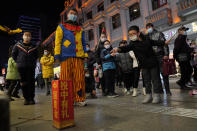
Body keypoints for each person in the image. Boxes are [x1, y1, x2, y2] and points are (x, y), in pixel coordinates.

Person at [111, 25, 164, 104]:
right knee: (146, 81)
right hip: (143, 64)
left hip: (153, 63)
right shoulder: (132, 43)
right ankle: (148, 95)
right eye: (130, 34)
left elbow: (156, 42)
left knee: (155, 80)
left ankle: (157, 95)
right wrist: (118, 49)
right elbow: (126, 48)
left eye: (133, 33)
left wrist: (164, 42)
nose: (131, 36)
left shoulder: (147, 39)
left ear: (138, 33)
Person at [54, 8, 88, 106]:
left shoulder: (80, 29)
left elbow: (83, 43)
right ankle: (68, 99)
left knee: (79, 78)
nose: (73, 15)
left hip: (78, 56)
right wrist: (57, 55)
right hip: (65, 56)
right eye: (71, 13)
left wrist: (85, 54)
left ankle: (79, 98)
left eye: (75, 14)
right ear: (68, 15)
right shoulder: (61, 27)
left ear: (77, 16)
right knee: (65, 78)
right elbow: (58, 41)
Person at [12, 31, 38, 105]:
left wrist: (33, 62)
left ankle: (31, 98)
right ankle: (26, 99)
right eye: (25, 35)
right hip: (21, 67)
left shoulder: (34, 46)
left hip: (31, 67)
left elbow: (36, 55)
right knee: (24, 83)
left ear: (31, 37)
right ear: (23, 36)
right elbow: (14, 55)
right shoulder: (17, 45)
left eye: (29, 36)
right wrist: (19, 61)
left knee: (31, 83)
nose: (27, 37)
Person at [146, 23, 171, 95]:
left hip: (160, 56)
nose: (148, 28)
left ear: (153, 27)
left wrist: (166, 54)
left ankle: (168, 90)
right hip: (152, 58)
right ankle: (160, 91)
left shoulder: (159, 33)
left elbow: (165, 44)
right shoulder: (147, 36)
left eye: (149, 27)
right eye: (147, 27)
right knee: (155, 75)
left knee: (164, 73)